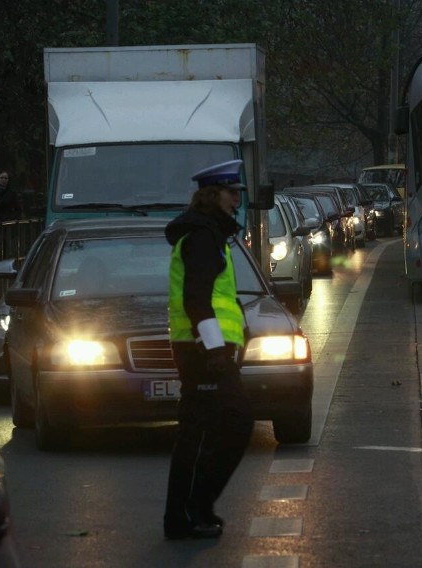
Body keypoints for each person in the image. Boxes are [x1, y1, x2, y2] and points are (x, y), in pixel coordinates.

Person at [163, 159, 253, 540]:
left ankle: (189, 512)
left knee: (206, 430)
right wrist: (214, 351)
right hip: (202, 355)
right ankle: (189, 511)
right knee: (224, 425)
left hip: (205, 351)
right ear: (213, 195)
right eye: (233, 193)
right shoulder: (202, 237)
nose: (237, 201)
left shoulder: (210, 233)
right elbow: (197, 300)